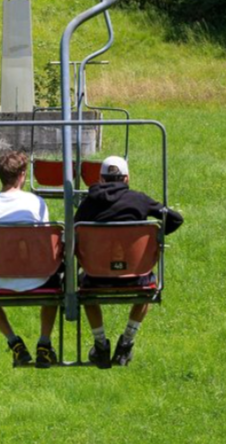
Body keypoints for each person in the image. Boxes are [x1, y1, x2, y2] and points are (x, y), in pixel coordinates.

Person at [74, 155, 184, 368]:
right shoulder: (139, 199)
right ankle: (127, 340)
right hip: (136, 276)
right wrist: (156, 236)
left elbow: (74, 231)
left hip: (96, 277)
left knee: (83, 287)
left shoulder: (89, 203)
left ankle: (100, 343)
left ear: (101, 179)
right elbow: (176, 218)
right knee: (148, 284)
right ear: (126, 178)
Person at [0, 150, 61, 368]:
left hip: (0, 278)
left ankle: (13, 341)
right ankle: (44, 341)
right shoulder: (35, 203)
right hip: (38, 278)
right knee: (57, 281)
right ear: (22, 174)